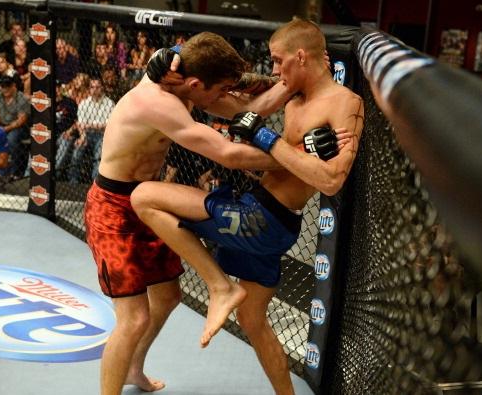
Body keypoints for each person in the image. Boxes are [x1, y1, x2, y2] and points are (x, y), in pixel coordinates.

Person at [130, 19, 363, 395]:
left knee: (143, 196)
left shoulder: (346, 104)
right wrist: (172, 60)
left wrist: (268, 140)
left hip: (262, 221)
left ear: (300, 56)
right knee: (252, 318)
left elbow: (331, 180)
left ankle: (218, 286)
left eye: (277, 60)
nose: (273, 69)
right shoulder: (292, 94)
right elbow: (238, 103)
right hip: (267, 213)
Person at [84, 32, 293, 395]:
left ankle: (134, 368)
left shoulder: (187, 70)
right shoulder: (159, 103)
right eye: (220, 90)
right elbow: (227, 155)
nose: (224, 97)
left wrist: (292, 83)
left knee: (167, 297)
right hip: (113, 208)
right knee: (133, 319)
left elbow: (245, 109)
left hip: (150, 201)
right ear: (196, 84)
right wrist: (299, 162)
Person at [70, 78, 115, 184]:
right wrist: (82, 136)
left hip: (103, 135)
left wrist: (90, 125)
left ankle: (94, 183)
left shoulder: (109, 103)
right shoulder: (84, 103)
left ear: (102, 88)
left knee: (98, 156)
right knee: (77, 151)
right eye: (92, 87)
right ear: (89, 89)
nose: (95, 89)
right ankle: (72, 181)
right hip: (86, 134)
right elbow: (80, 124)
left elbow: (108, 126)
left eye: (97, 87)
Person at [0, 75, 30, 178]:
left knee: (11, 140)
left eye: (8, 86)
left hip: (19, 127)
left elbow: (21, 120)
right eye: (3, 86)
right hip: (2, 125)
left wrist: (4, 130)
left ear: (14, 86)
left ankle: (15, 172)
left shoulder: (22, 98)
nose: (5, 88)